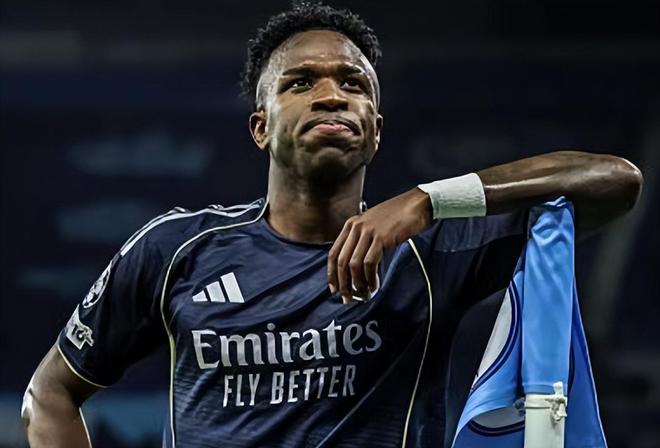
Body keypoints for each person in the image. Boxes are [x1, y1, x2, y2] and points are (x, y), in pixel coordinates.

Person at [22, 3, 643, 448]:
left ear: (375, 129)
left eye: (353, 83)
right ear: (260, 126)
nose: (331, 95)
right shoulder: (177, 249)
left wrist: (428, 200)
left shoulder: (433, 249)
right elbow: (49, 396)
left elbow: (613, 182)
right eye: (300, 83)